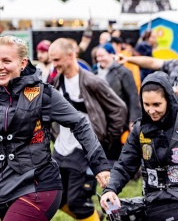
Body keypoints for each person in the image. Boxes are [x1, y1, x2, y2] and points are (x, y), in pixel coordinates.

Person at [0, 36, 112, 221]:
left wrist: (100, 165)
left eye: (6, 61)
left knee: (75, 200)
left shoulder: (42, 93)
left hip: (37, 186)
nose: (1, 67)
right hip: (5, 184)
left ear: (22, 63)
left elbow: (80, 123)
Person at [100, 72, 178, 221]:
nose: (151, 110)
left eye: (156, 104)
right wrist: (110, 189)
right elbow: (125, 164)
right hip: (155, 202)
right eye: (146, 105)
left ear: (169, 100)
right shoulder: (139, 129)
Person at [48, 38, 128, 221]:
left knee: (78, 201)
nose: (54, 64)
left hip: (84, 151)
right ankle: (97, 218)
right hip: (61, 149)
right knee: (56, 198)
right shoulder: (56, 81)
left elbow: (119, 108)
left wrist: (105, 139)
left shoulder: (92, 81)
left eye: (57, 60)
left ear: (71, 55)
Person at [94, 44, 140, 160]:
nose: (99, 59)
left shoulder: (123, 72)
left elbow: (133, 96)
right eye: (97, 56)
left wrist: (133, 120)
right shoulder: (95, 71)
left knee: (117, 147)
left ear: (111, 54)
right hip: (100, 118)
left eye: (102, 56)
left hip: (119, 117)